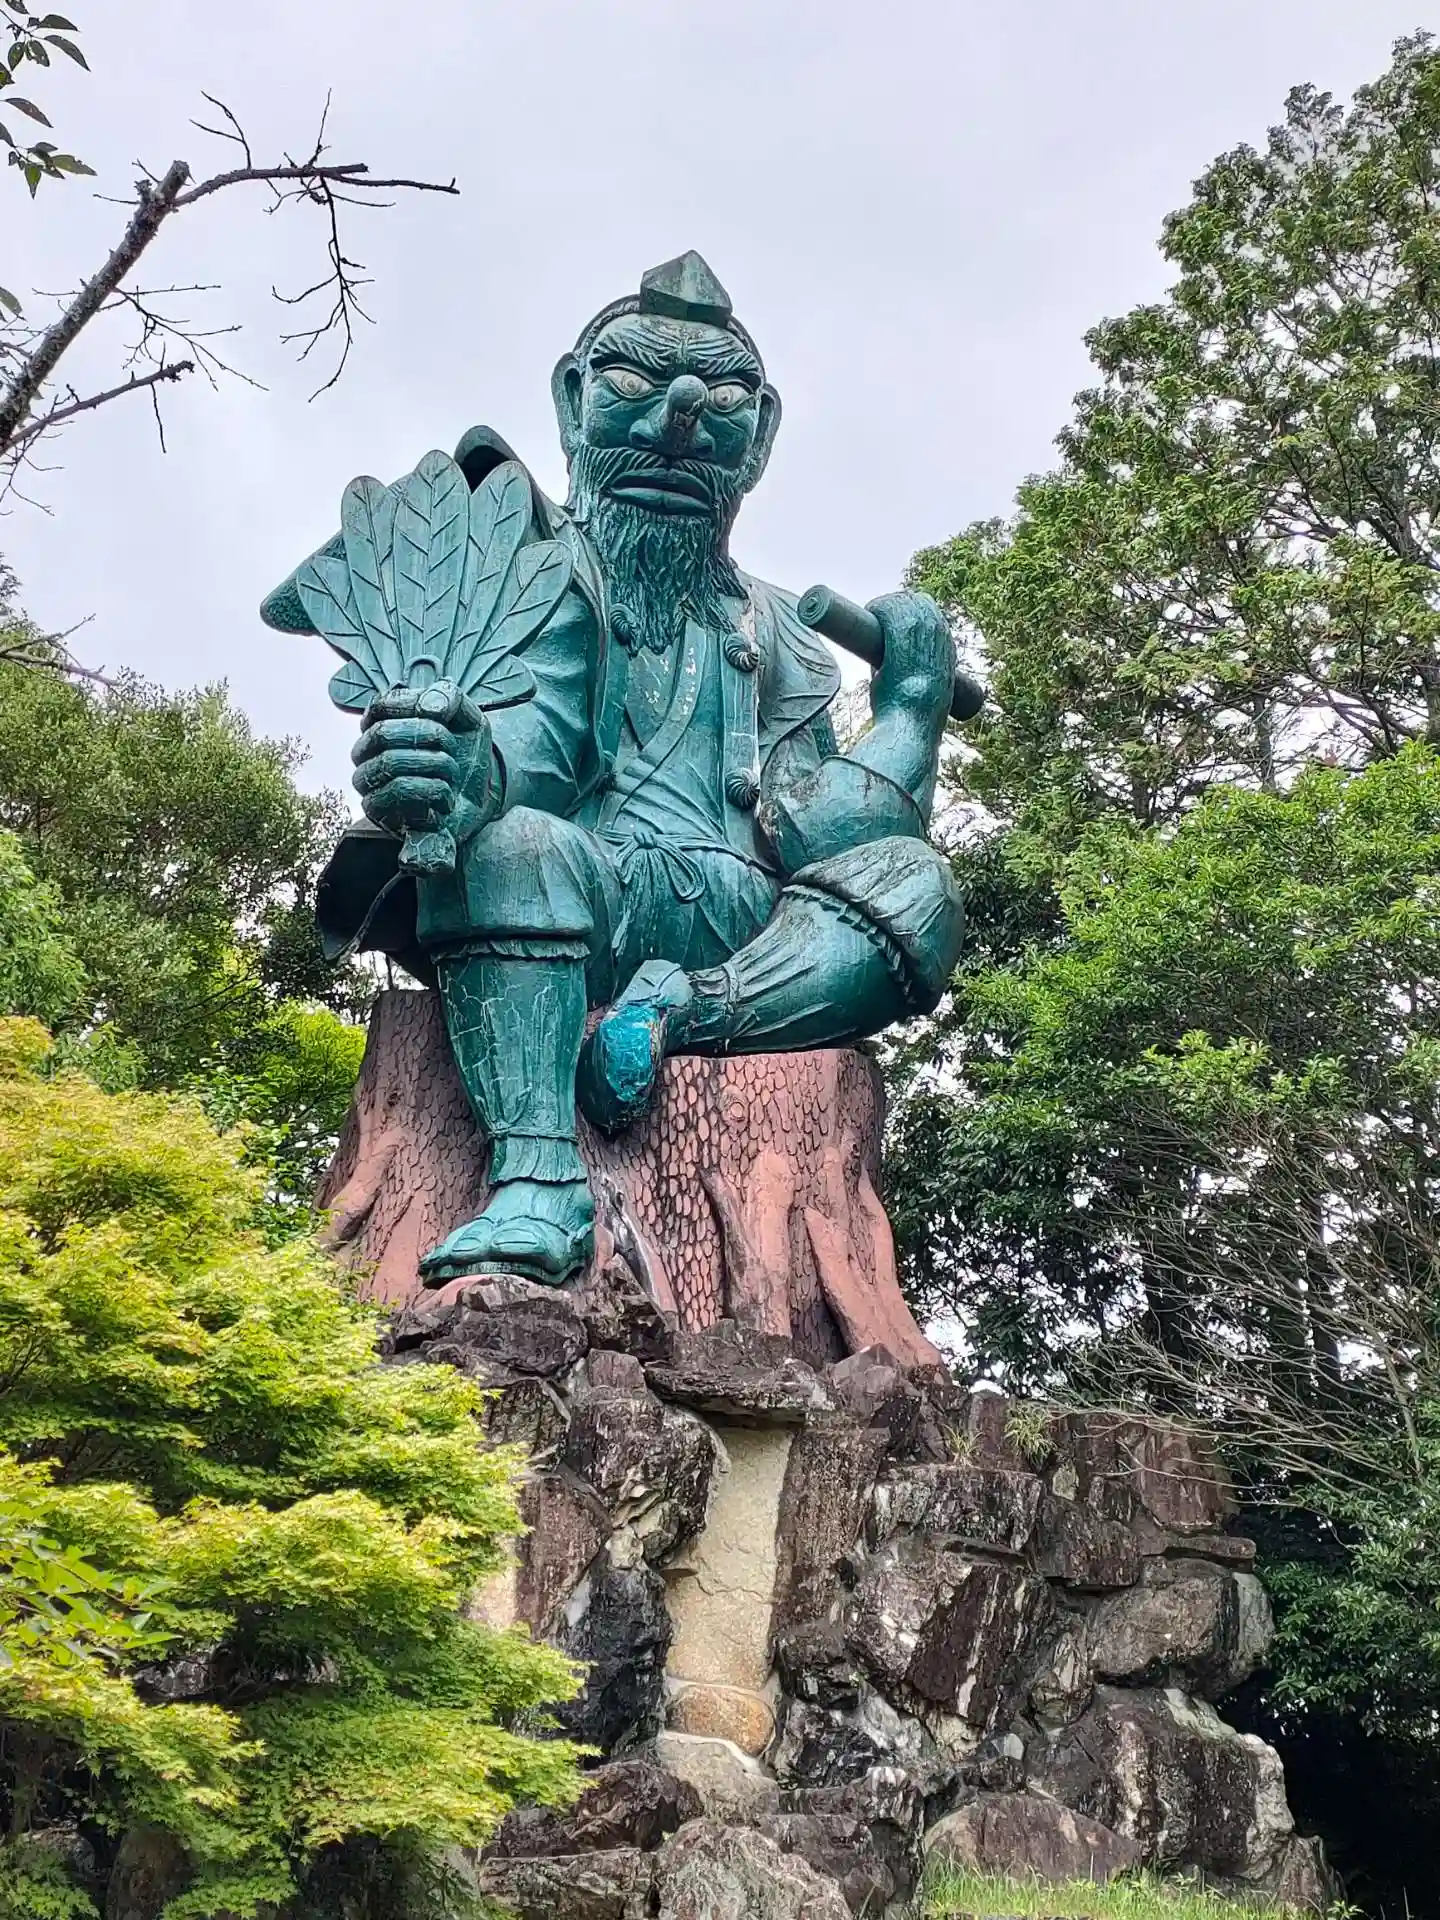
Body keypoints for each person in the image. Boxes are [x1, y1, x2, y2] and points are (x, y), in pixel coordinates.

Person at [262, 251, 964, 1287]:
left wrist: (909, 711)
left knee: (921, 886)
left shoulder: (780, 630)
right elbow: (520, 759)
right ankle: (537, 1181)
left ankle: (682, 1011)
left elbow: (831, 836)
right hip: (585, 889)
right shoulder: (530, 565)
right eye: (632, 382)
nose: (678, 423)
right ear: (570, 398)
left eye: (722, 399)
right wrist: (452, 762)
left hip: (747, 927)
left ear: (763, 433)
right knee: (513, 849)